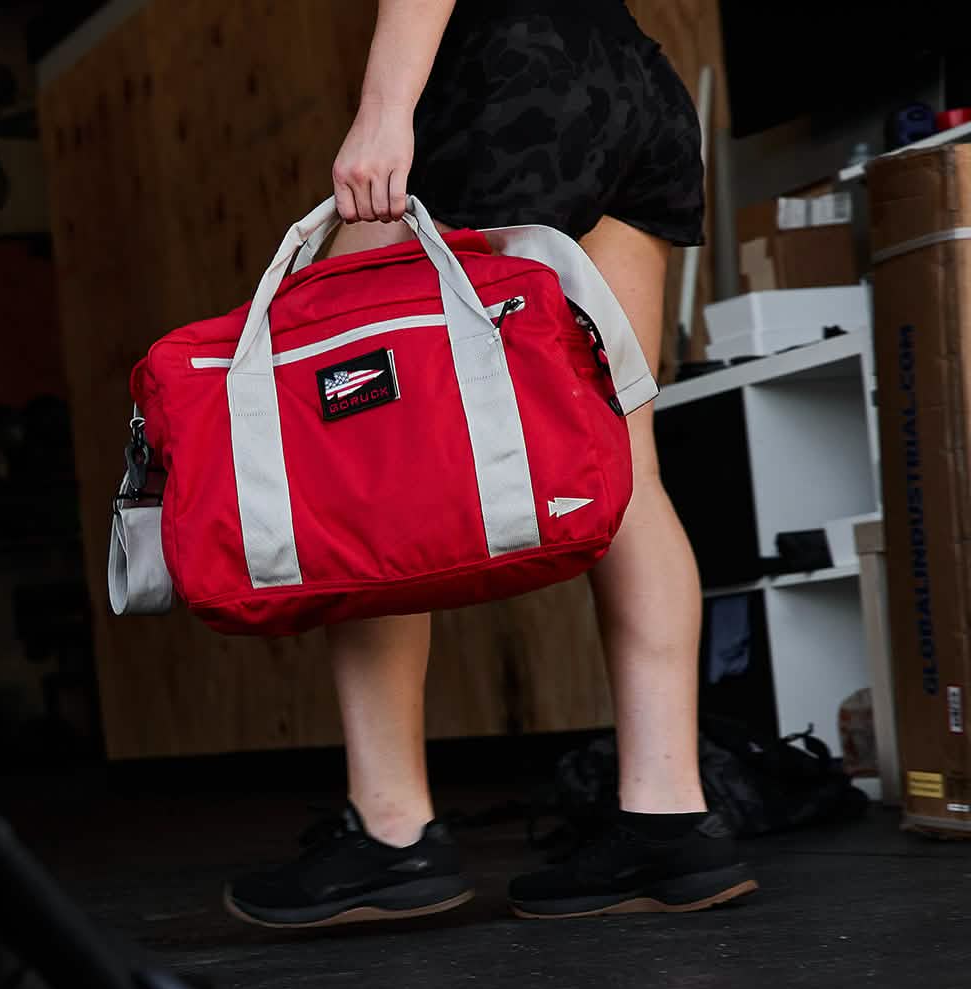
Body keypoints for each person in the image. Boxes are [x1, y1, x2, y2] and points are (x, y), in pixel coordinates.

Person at [224, 0, 758, 928]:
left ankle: (391, 835)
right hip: (630, 79)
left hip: (512, 72)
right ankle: (668, 823)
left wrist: (385, 108)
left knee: (366, 462)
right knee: (624, 453)